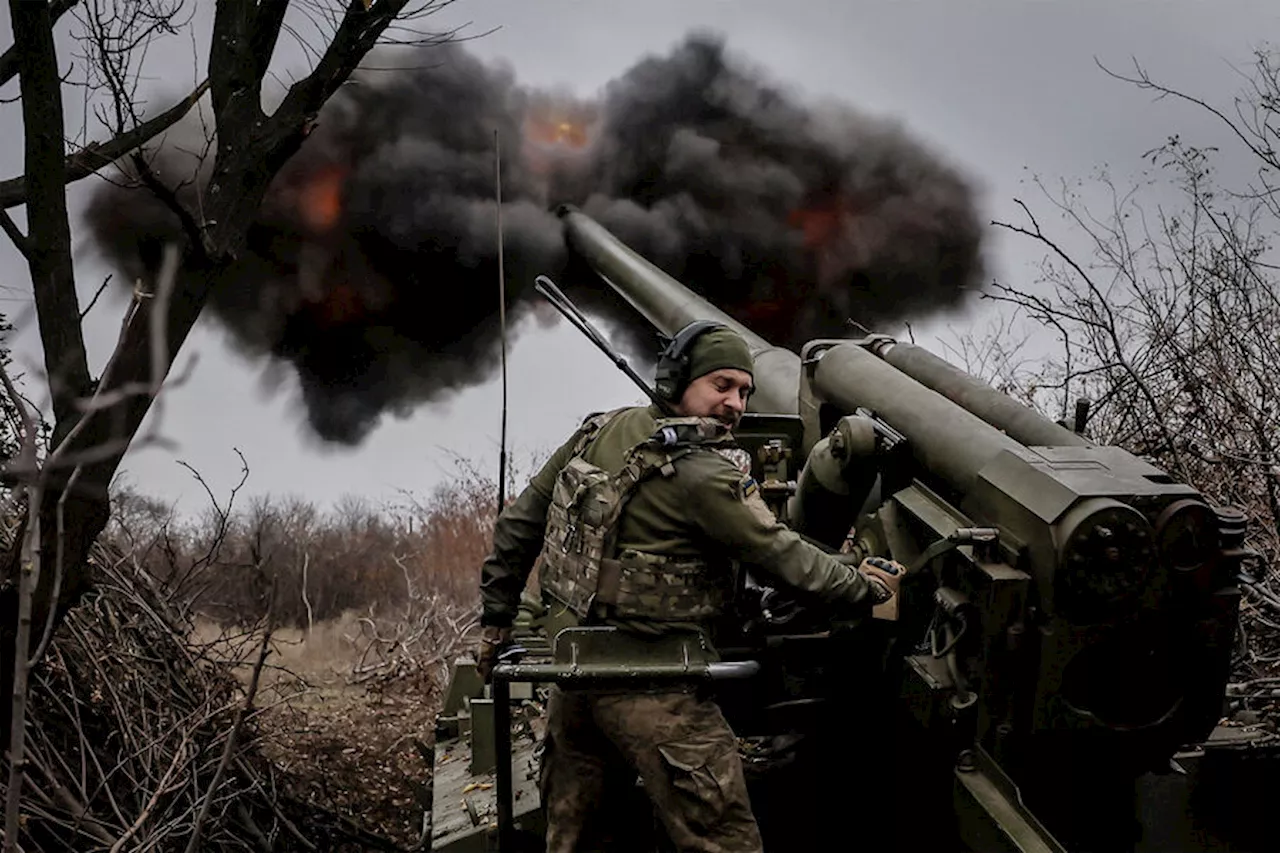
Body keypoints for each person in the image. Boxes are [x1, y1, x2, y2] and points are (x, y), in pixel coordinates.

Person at [475, 321, 905, 853]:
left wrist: (496, 619)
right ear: (677, 381)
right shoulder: (704, 474)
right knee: (724, 840)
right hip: (658, 688)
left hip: (576, 678)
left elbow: (520, 524)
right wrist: (865, 587)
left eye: (744, 391)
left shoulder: (598, 431)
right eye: (721, 385)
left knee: (575, 837)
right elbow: (783, 558)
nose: (735, 404)